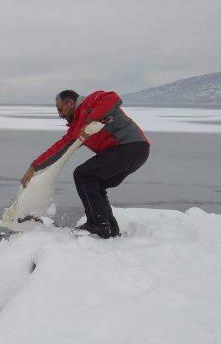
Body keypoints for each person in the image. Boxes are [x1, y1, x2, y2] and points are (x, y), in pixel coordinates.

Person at [20, 90, 149, 238]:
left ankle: (97, 224)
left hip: (131, 146)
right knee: (96, 182)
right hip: (132, 152)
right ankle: (110, 227)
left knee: (83, 175)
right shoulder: (76, 129)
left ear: (70, 103)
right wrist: (34, 167)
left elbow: (112, 97)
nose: (60, 114)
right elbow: (59, 149)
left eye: (60, 109)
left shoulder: (90, 102)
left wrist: (91, 120)